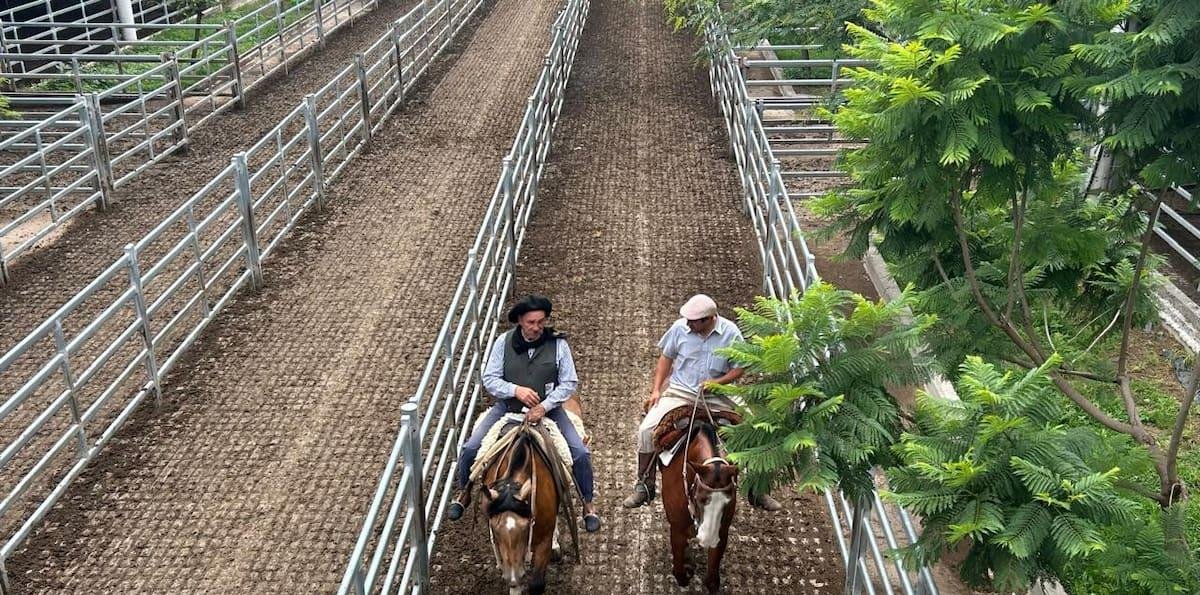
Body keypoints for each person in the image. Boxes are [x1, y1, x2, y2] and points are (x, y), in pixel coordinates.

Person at [447, 294, 600, 532]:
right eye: (531, 322)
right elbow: (490, 378)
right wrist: (515, 390)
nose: (537, 327)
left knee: (580, 453)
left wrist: (545, 406)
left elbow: (569, 382)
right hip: (508, 408)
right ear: (520, 321)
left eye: (541, 321)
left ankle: (588, 504)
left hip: (550, 411)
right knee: (470, 448)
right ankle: (464, 491)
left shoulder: (558, 344)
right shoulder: (503, 342)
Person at [622, 293, 783, 512]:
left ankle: (758, 489)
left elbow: (739, 368)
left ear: (709, 319)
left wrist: (718, 382)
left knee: (758, 431)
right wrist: (656, 390)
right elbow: (666, 358)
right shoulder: (679, 329)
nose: (688, 323)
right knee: (646, 430)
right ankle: (645, 485)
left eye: (693, 321)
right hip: (682, 392)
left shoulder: (730, 333)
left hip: (719, 394)